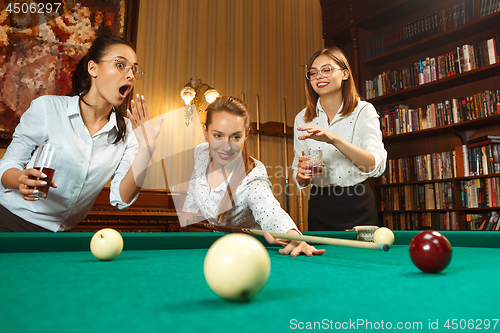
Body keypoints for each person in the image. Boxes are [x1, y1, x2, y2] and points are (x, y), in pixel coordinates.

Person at [0, 28, 163, 232]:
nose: (130, 75)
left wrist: (146, 149)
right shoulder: (48, 108)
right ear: (93, 68)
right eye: (120, 65)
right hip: (9, 220)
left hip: (60, 235)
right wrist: (20, 179)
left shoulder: (129, 132)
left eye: (134, 69)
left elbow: (121, 198)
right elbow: (8, 164)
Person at [181, 96, 325, 257]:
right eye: (218, 136)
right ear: (205, 131)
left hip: (249, 253)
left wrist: (293, 236)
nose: (226, 147)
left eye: (235, 137)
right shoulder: (201, 152)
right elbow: (195, 181)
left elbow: (271, 211)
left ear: (247, 134)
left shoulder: (252, 178)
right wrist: (189, 210)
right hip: (217, 249)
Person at [293, 46, 387, 231]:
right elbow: (301, 178)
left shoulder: (363, 110)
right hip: (320, 205)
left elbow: (375, 167)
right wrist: (302, 174)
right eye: (313, 73)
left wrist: (333, 139)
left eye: (326, 69)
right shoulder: (302, 118)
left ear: (344, 74)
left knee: (360, 260)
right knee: (322, 260)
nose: (319, 76)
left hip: (358, 202)